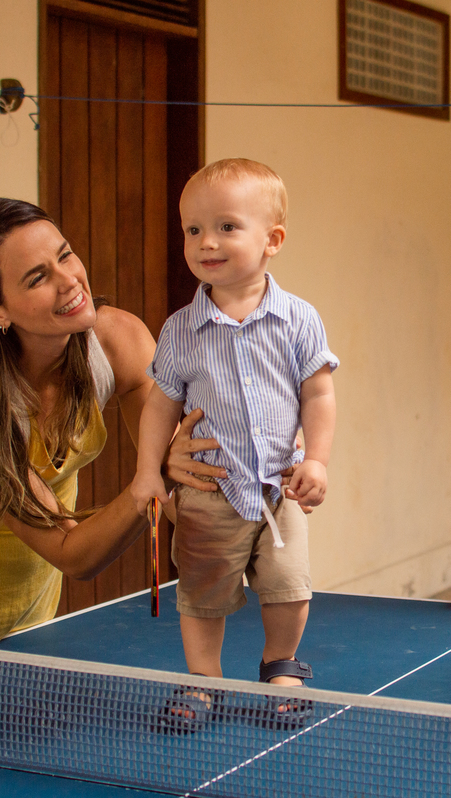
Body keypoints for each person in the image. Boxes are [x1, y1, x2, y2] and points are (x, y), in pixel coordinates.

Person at [0, 198, 224, 646]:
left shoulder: (117, 341)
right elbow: (72, 553)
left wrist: (258, 482)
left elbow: (184, 487)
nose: (69, 280)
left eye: (65, 255)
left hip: (31, 609)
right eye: (38, 278)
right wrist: (160, 473)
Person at [129, 159, 337, 728]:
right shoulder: (180, 329)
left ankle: (281, 665)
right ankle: (204, 679)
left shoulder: (299, 319)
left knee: (289, 585)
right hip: (208, 492)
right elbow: (160, 406)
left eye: (226, 227)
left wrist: (317, 459)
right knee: (201, 592)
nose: (207, 242)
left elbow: (319, 394)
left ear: (273, 240)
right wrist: (148, 471)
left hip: (279, 489)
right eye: (193, 229)